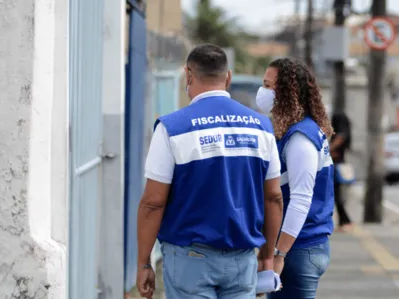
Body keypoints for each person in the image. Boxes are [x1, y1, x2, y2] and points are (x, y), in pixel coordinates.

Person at [136, 44, 284, 299]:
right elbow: (273, 198)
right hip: (242, 259)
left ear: (189, 75)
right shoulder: (261, 127)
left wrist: (144, 263)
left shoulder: (172, 127)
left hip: (189, 260)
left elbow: (153, 203)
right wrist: (267, 256)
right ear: (228, 77)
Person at [255, 58, 335, 299]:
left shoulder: (300, 138)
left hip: (299, 248)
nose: (263, 92)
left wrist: (278, 255)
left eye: (269, 87)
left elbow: (301, 198)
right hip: (298, 246)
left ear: (287, 94)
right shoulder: (294, 131)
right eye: (264, 85)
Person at [330, 111, 354, 232]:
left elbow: (340, 138)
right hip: (338, 164)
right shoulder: (346, 131)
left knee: (337, 195)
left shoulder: (341, 133)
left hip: (337, 165)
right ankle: (344, 221)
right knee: (337, 195)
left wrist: (328, 149)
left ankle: (346, 221)